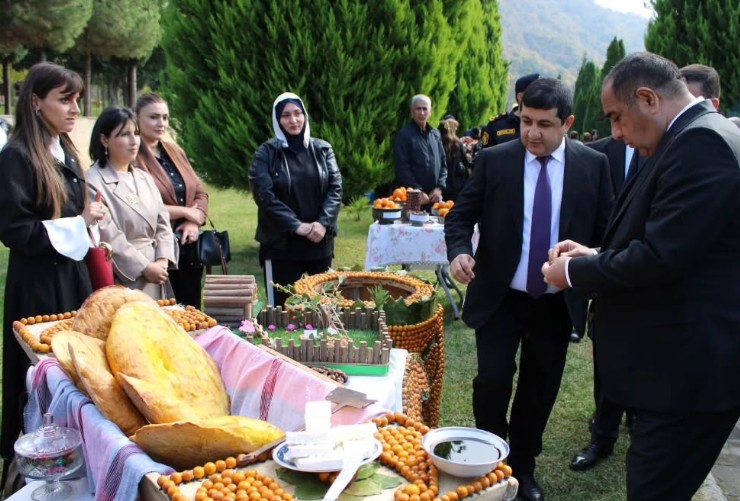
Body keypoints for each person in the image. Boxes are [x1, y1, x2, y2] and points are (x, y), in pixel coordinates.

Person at [543, 52, 740, 501]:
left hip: (687, 379)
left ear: (648, 99)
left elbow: (660, 258)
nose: (615, 134)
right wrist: (596, 253)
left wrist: (572, 270)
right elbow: (676, 242)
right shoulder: (691, 135)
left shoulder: (701, 143)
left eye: (616, 117)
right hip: (677, 370)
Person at [445, 78, 613, 501]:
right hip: (500, 298)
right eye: (526, 121)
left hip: (554, 305)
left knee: (539, 390)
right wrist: (460, 251)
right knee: (492, 381)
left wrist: (585, 262)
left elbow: (605, 234)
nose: (532, 133)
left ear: (567, 124)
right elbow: (460, 216)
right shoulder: (495, 160)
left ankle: (523, 467)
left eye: (544, 124)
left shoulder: (593, 166)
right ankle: (490, 460)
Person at [0, 62, 106, 483]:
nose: (75, 108)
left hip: (74, 279)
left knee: (76, 370)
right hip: (38, 286)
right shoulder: (16, 158)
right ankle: (35, 472)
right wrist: (79, 223)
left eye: (77, 99)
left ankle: (79, 459)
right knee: (42, 373)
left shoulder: (65, 152)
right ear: (35, 102)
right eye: (65, 99)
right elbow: (15, 231)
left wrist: (88, 222)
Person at [249, 92, 342, 307]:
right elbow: (264, 196)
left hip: (319, 241)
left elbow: (335, 188)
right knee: (282, 311)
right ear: (277, 120)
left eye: (298, 113)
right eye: (286, 115)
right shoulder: (266, 153)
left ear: (305, 115)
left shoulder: (323, 149)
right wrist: (296, 226)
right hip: (281, 247)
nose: (293, 120)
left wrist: (323, 223)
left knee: (325, 309)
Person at [86, 107, 177, 299]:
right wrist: (144, 267)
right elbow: (108, 234)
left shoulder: (145, 178)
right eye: (124, 134)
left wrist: (163, 259)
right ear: (104, 140)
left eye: (135, 133)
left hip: (157, 271)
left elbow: (163, 223)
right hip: (124, 275)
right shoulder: (92, 181)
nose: (134, 141)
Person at [135, 93, 209, 307]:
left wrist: (194, 221)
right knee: (163, 311)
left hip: (188, 247)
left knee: (191, 311)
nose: (161, 123)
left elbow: (200, 192)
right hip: (156, 250)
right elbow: (141, 206)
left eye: (165, 117)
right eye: (154, 117)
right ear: (137, 118)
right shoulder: (133, 156)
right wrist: (185, 212)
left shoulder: (174, 151)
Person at [393, 94, 447, 207]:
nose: (422, 113)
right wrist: (417, 190)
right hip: (413, 197)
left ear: (430, 112)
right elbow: (402, 168)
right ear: (412, 111)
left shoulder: (436, 134)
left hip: (434, 197)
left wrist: (439, 188)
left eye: (425, 109)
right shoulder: (404, 135)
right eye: (418, 109)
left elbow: (443, 163)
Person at [480, 73, 539, 148]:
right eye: (537, 94)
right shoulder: (496, 126)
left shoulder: (547, 126)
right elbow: (485, 154)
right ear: (520, 97)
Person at [438, 117, 470, 201]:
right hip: (457, 184)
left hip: (440, 184)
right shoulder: (457, 143)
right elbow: (465, 162)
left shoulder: (438, 142)